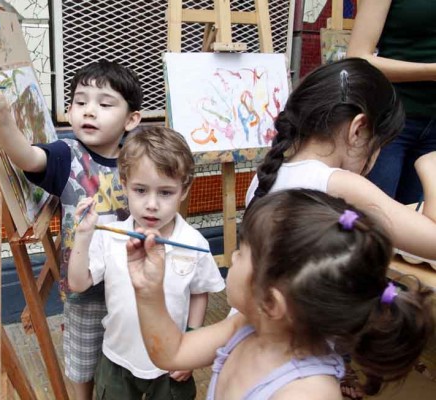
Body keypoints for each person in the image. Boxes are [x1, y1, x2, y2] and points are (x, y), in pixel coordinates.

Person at [128, 189, 435, 399]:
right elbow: (173, 353)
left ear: (271, 303)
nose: (233, 257)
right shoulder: (244, 328)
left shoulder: (307, 392)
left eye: (242, 252)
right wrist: (148, 291)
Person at [0, 60, 142, 400]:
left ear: (132, 119)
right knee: (82, 362)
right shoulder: (69, 155)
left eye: (104, 104)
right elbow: (27, 157)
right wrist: (2, 120)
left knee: (128, 358)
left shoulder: (140, 158)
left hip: (132, 283)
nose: (89, 111)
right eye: (81, 102)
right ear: (69, 110)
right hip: (84, 290)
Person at [69, 127, 226, 399]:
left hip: (171, 359)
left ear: (184, 190)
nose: (152, 204)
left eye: (165, 193)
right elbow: (78, 283)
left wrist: (191, 339)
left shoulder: (195, 242)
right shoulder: (110, 237)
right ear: (124, 182)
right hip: (118, 357)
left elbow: (199, 292)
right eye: (141, 190)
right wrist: (83, 235)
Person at [245, 57, 436, 262]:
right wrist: (429, 165)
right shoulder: (341, 186)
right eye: (380, 143)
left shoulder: (264, 176)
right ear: (358, 129)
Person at [347, 0, 436, 204]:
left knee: (421, 226)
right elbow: (358, 57)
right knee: (373, 218)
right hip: (391, 121)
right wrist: (431, 72)